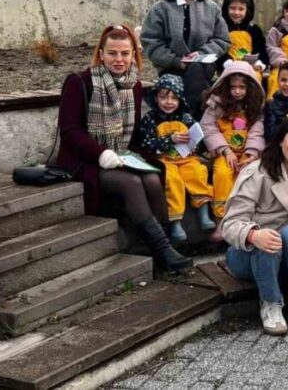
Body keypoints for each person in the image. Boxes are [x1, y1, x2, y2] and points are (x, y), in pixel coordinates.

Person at [57, 24, 191, 273]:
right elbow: (69, 132)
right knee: (131, 182)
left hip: (121, 154)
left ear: (133, 55)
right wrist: (102, 154)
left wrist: (159, 147)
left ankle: (165, 248)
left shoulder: (134, 86)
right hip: (84, 160)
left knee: (151, 177)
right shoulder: (80, 82)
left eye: (125, 53)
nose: (119, 60)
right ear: (101, 54)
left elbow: (135, 135)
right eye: (113, 53)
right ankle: (163, 251)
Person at [222, 115, 288, 336]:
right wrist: (252, 235)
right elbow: (229, 224)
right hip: (248, 253)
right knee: (270, 239)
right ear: (280, 139)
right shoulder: (256, 172)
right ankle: (270, 304)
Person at [140, 0, 230, 113]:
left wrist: (201, 53)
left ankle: (189, 119)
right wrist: (177, 61)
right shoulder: (161, 8)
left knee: (195, 69)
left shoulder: (211, 8)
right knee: (194, 82)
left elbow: (222, 39)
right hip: (172, 68)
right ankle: (201, 118)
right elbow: (150, 41)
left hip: (203, 66)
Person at [139, 74, 213, 243]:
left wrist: (195, 145)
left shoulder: (186, 118)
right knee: (172, 181)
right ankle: (175, 221)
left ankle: (203, 210)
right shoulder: (150, 119)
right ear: (156, 97)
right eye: (163, 97)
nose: (169, 102)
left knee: (197, 172)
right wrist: (169, 139)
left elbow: (199, 139)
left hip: (186, 158)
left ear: (180, 100)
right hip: (164, 160)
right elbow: (147, 143)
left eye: (174, 98)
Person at [201, 60, 266, 225]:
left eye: (242, 87)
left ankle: (244, 219)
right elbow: (208, 127)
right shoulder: (216, 104)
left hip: (246, 153)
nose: (237, 91)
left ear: (249, 88)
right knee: (222, 173)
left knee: (249, 175)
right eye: (233, 87)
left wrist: (252, 153)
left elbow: (257, 130)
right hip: (225, 152)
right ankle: (221, 218)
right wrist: (225, 150)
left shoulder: (255, 107)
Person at [218, 0, 268, 73]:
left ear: (247, 10)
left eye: (241, 9)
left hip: (251, 69)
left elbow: (262, 52)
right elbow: (218, 50)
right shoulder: (221, 28)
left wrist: (259, 64)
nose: (236, 12)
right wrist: (227, 63)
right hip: (228, 68)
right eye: (232, 8)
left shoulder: (254, 30)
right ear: (226, 9)